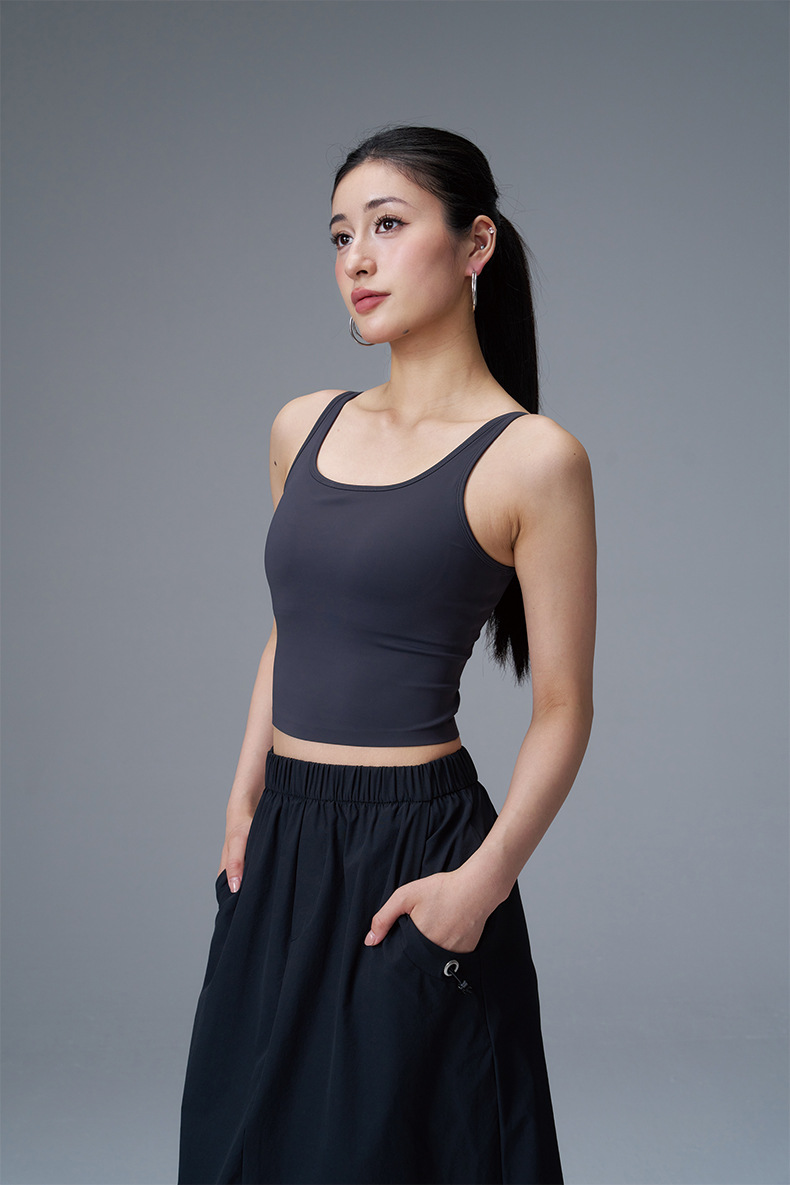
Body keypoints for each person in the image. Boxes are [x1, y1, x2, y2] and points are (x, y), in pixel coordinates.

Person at [178, 125, 596, 1185]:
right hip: (284, 841)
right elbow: (295, 624)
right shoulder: (303, 426)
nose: (356, 259)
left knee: (400, 1157)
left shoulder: (533, 458)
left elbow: (563, 707)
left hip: (419, 854)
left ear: (475, 244)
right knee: (243, 1153)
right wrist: (243, 799)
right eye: (339, 236)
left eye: (388, 225)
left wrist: (479, 887)